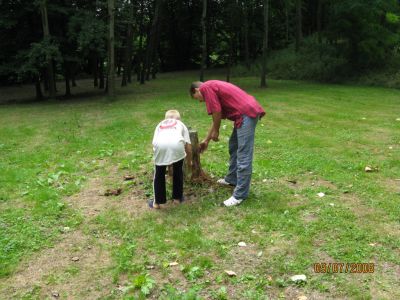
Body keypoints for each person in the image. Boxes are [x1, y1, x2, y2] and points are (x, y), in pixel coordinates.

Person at [190, 80, 265, 207]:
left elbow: (216, 112)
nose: (200, 101)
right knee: (234, 146)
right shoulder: (213, 87)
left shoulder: (205, 88)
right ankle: (232, 179)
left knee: (243, 154)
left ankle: (239, 195)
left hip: (246, 114)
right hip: (244, 113)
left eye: (197, 99)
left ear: (197, 90)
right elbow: (216, 118)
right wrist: (206, 140)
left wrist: (217, 132)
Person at [150, 110, 192, 209]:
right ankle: (177, 199)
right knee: (178, 171)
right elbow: (188, 145)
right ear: (178, 119)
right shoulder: (180, 124)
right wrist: (189, 160)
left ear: (165, 119)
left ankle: (157, 202)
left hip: (160, 146)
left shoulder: (160, 124)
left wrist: (158, 158)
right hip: (176, 146)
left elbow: (154, 142)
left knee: (159, 174)